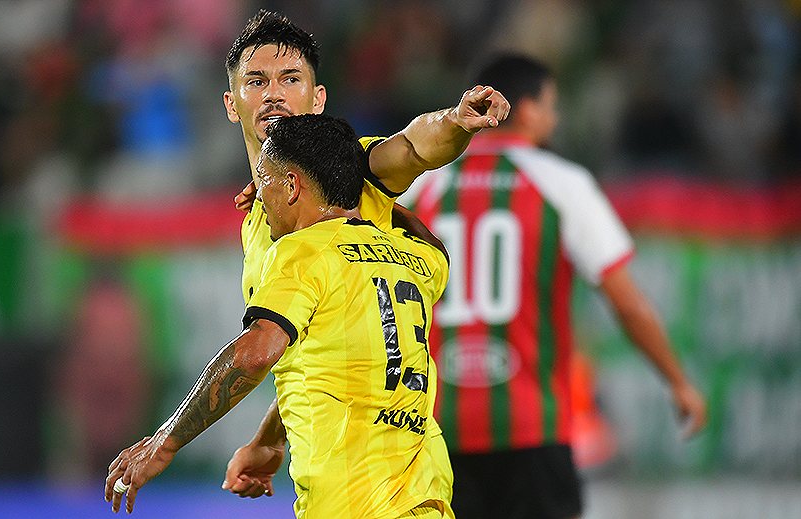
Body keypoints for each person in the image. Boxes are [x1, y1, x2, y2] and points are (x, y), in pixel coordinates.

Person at [214, 9, 507, 507]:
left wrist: (456, 121)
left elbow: (413, 148)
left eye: (291, 79)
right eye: (257, 81)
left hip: (382, 485)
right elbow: (320, 345)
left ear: (318, 98)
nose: (274, 94)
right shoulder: (261, 219)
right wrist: (270, 439)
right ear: (231, 103)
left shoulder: (355, 173)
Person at [401, 53, 708, 519]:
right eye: (550, 106)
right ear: (525, 111)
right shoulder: (562, 183)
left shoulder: (419, 186)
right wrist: (678, 382)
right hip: (533, 429)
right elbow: (627, 304)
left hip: (431, 430)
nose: (555, 118)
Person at [105, 114, 452, 518]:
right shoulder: (415, 259)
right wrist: (270, 439)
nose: (259, 198)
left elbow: (255, 354)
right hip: (427, 499)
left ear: (291, 186)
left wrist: (165, 441)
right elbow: (435, 249)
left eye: (264, 181)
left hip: (352, 505)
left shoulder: (303, 250)